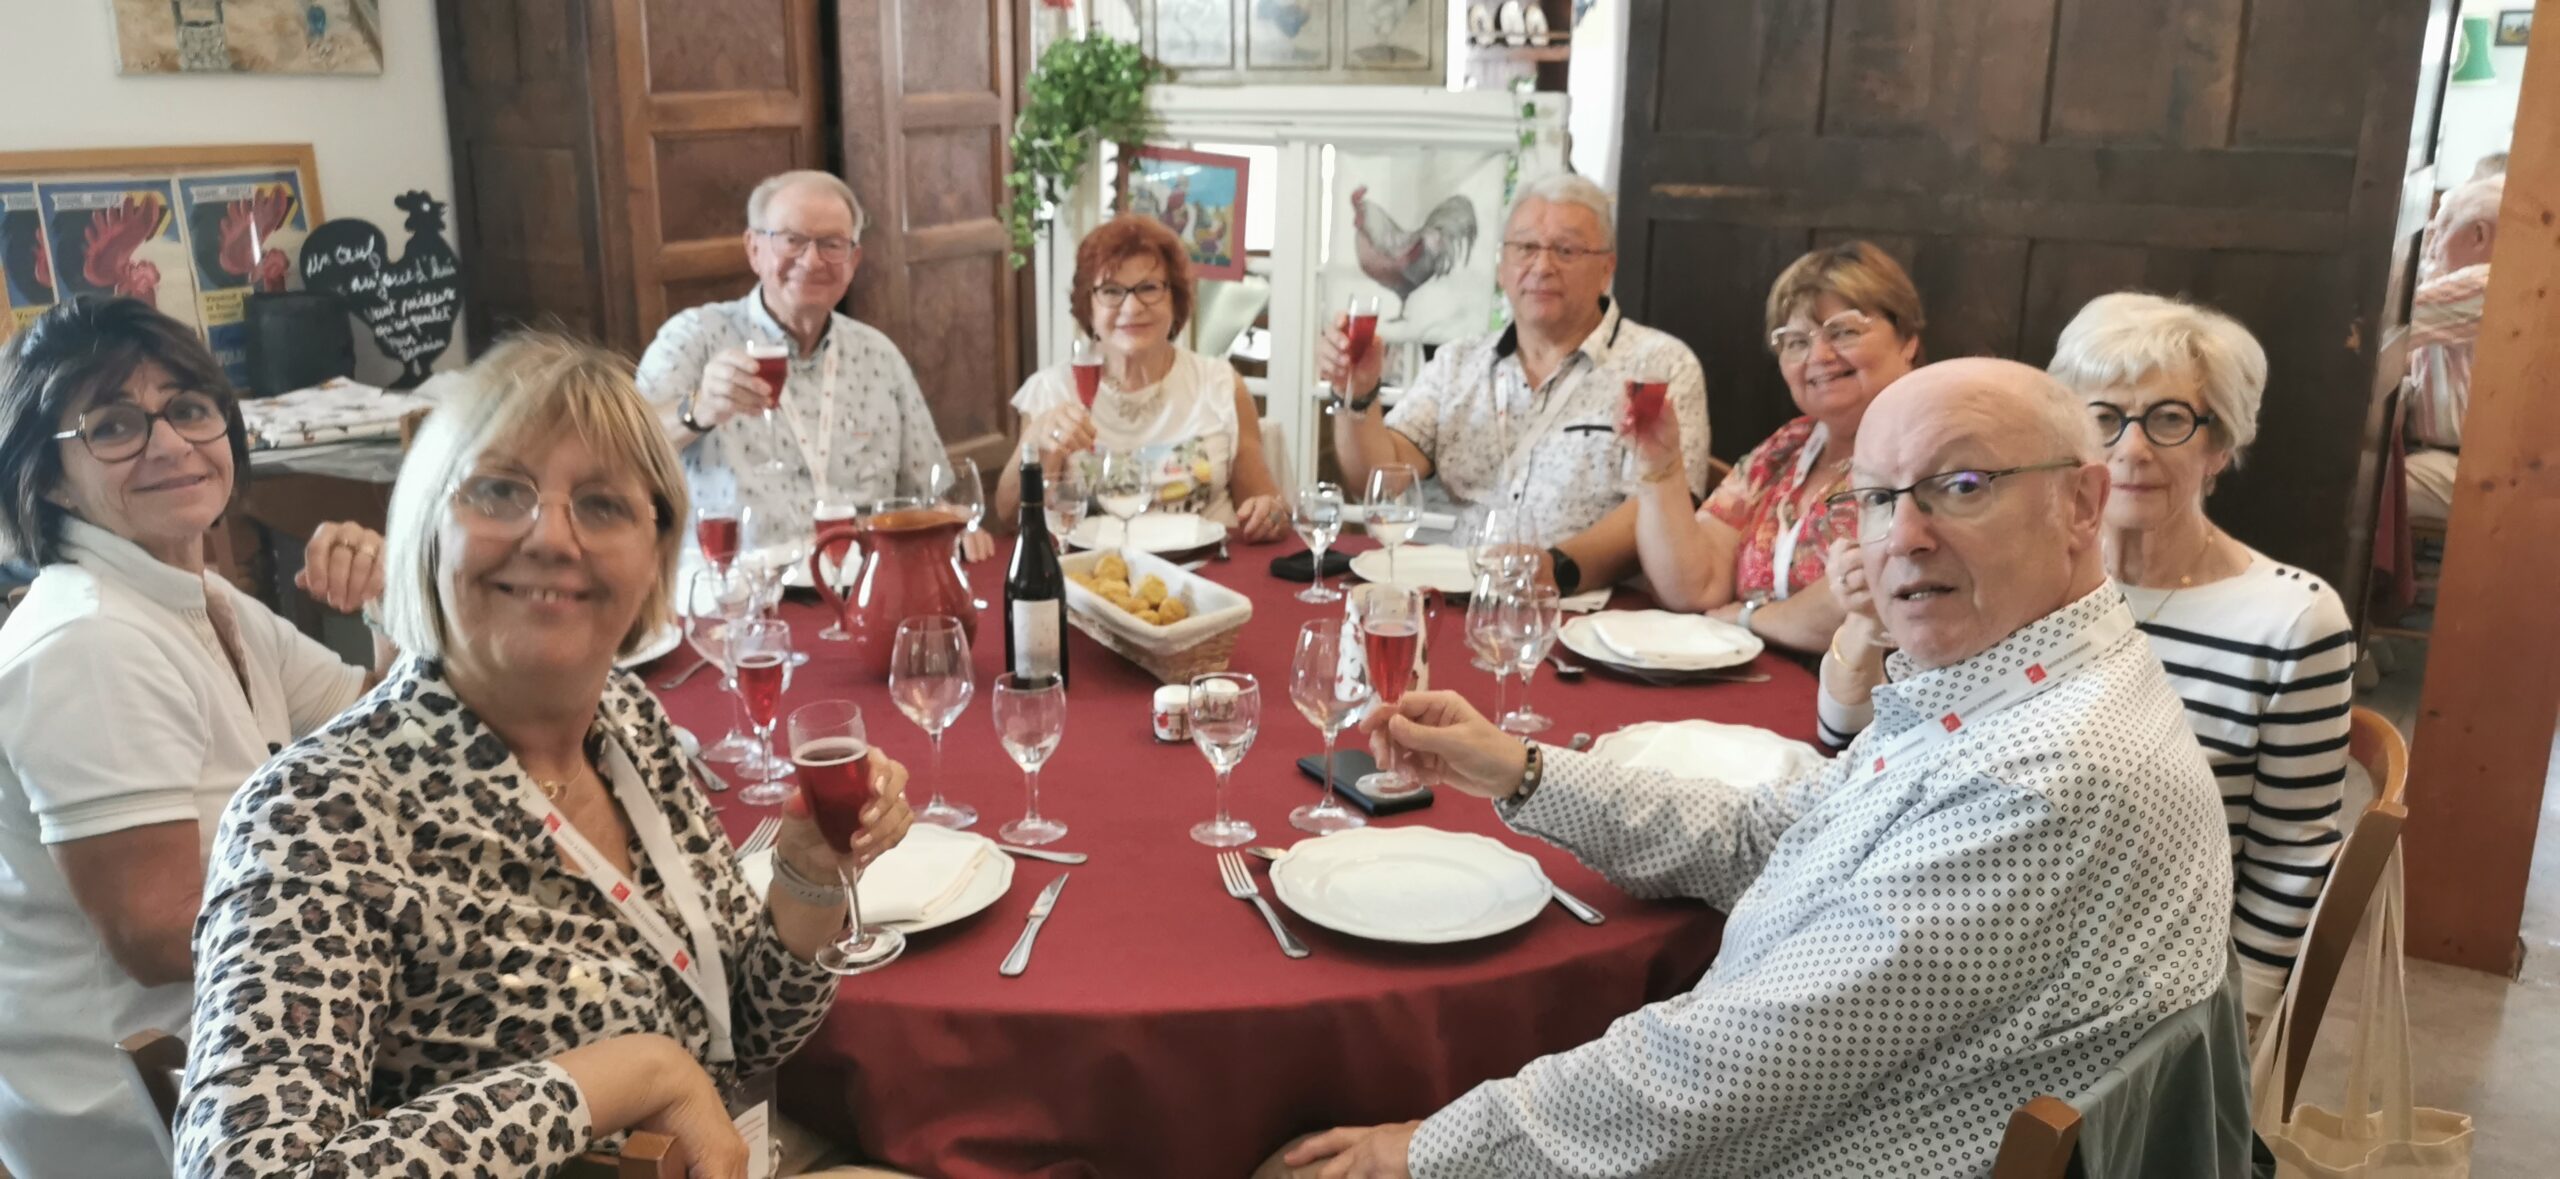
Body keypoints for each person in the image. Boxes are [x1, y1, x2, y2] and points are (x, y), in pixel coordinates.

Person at [1281, 359, 2234, 1177]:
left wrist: (1426, 1149)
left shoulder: (2040, 780)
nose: (1904, 536)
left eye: (1963, 484)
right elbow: (1779, 829)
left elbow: (1734, 1066)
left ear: (2081, 503)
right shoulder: (2021, 684)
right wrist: (1519, 770)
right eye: (1877, 499)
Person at [175, 335, 916, 1176]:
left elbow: (739, 1032)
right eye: (499, 490)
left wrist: (807, 873)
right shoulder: (317, 814)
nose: (553, 538)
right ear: (425, 529)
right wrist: (634, 1073)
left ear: (655, 556)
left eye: (602, 505)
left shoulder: (628, 721)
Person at [0, 297, 391, 1178]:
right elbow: (156, 935)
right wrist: (386, 914)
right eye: (114, 425)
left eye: (188, 407)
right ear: (50, 477)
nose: (171, 443)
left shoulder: (202, 598)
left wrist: (387, 598)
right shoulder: (87, 641)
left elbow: (385, 733)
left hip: (243, 1022)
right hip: (144, 1104)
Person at [1315, 173, 1708, 598]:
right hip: (1465, 600)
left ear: (1606, 269)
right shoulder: (1458, 362)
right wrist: (1358, 392)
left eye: (1566, 250)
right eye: (1526, 248)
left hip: (1589, 610)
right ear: (1502, 266)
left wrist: (1555, 569)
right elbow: (1379, 479)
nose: (1542, 266)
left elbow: (1660, 508)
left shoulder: (1660, 367)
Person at [637, 169, 994, 566]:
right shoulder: (695, 337)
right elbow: (624, 452)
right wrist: (699, 409)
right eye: (792, 240)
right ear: (754, 248)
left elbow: (931, 491)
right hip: (741, 585)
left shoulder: (878, 356)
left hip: (863, 581)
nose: (811, 260)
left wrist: (956, 526)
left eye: (832, 244)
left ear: (853, 260)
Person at [1625, 241, 1924, 652]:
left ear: (1907, 340)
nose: (1819, 355)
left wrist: (1749, 619)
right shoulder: (1789, 446)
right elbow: (1696, 586)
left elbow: (1870, 596)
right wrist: (1659, 465)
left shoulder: (1929, 447)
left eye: (1844, 331)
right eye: (1796, 341)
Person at [993, 215, 1289, 542]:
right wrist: (1035, 439)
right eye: (1112, 291)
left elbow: (1264, 504)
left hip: (1205, 566)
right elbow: (1011, 517)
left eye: (1149, 288)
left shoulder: (1219, 384)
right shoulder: (1050, 391)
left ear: (1175, 299)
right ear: (1088, 306)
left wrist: (1269, 513)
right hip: (1092, 568)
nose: (1132, 307)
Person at [2402, 173, 2503, 521]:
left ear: (2478, 235)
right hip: (2466, 458)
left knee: (2363, 482)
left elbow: (2385, 324)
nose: (2431, 247)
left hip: (2476, 466)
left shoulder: (2484, 282)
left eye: (2440, 231)